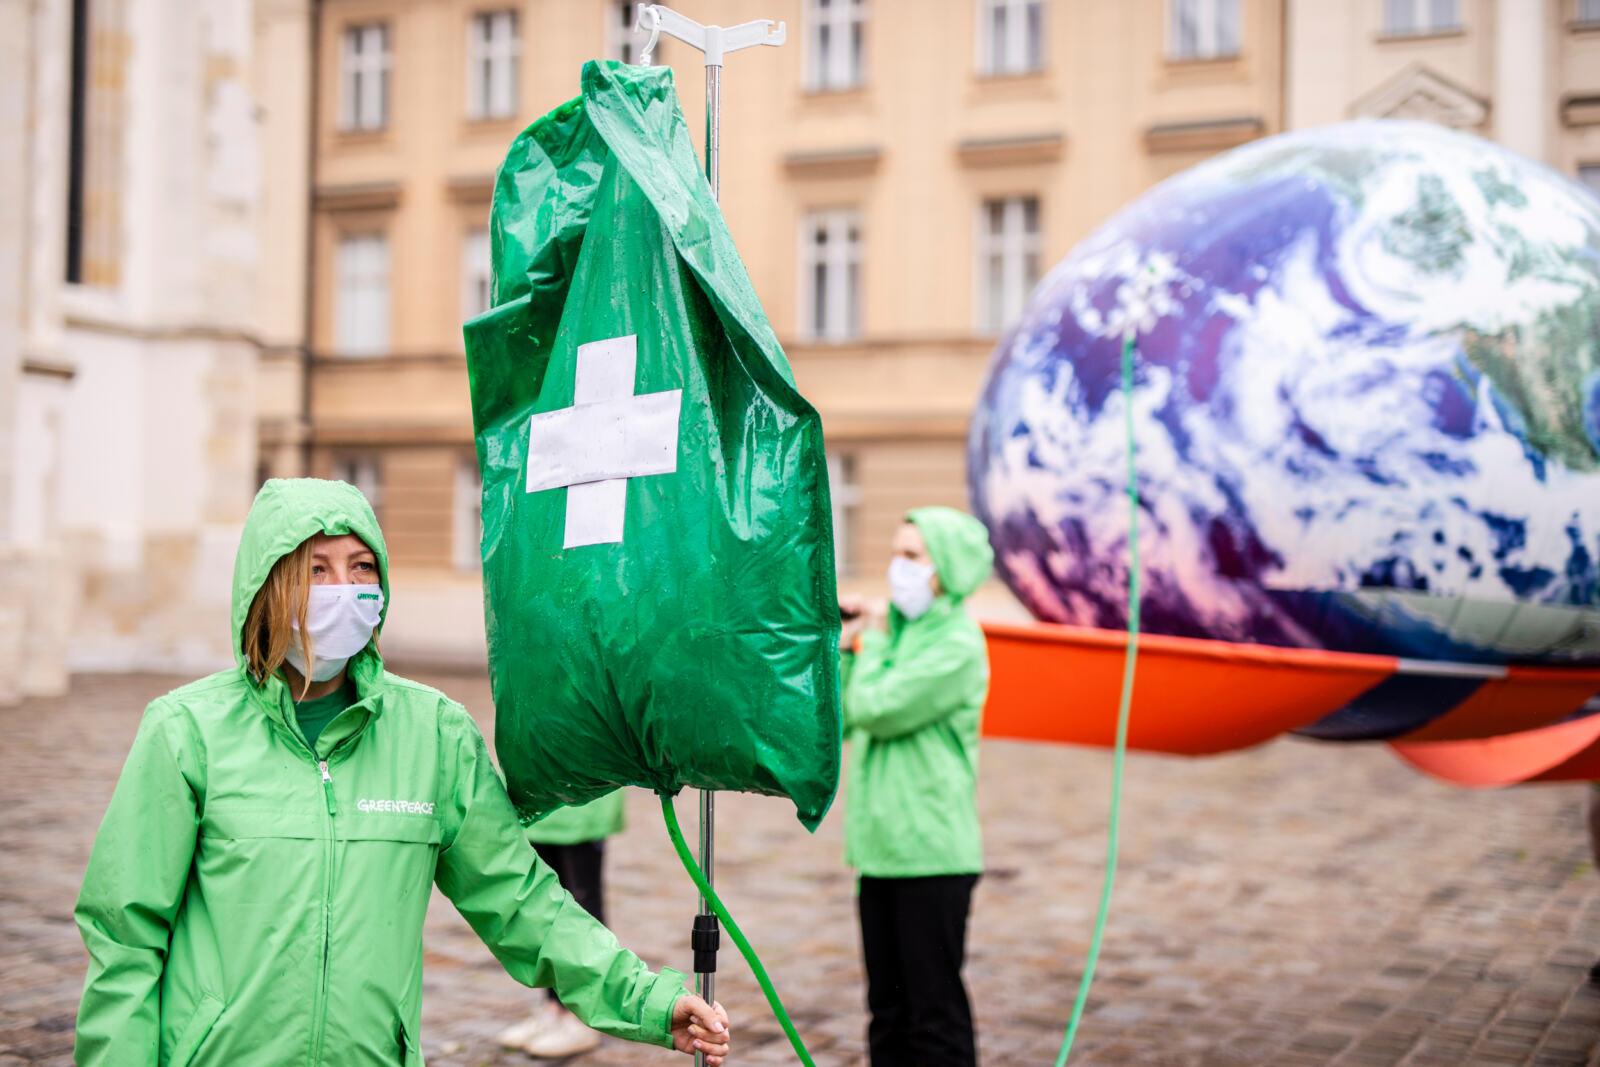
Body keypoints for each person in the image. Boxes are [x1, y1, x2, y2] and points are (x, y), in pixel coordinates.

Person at [73, 478, 731, 1066]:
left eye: (361, 567)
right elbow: (126, 941)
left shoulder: (434, 735)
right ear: (268, 583)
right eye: (317, 568)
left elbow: (522, 901)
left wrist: (645, 999)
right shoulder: (186, 731)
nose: (344, 589)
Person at [837, 507, 993, 1067]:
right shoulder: (900, 636)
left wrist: (872, 643)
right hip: (881, 853)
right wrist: (846, 644)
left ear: (945, 569)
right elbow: (845, 715)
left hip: (931, 854)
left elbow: (878, 709)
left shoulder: (958, 644)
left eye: (911, 556)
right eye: (895, 553)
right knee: (888, 1010)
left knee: (934, 1014)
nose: (895, 568)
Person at [497, 790, 628, 1057]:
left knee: (583, 906)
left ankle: (586, 1017)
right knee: (541, 907)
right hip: (537, 800)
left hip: (584, 799)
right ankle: (554, 1009)